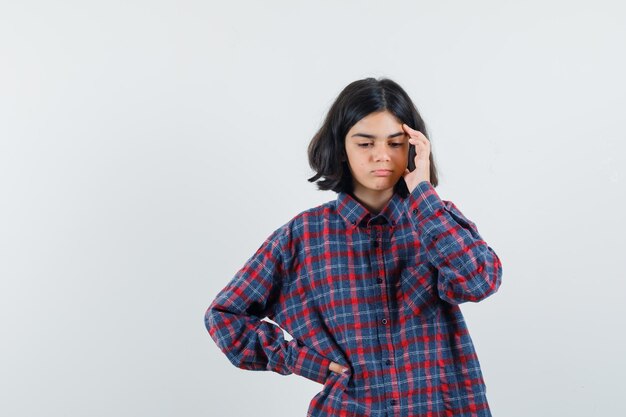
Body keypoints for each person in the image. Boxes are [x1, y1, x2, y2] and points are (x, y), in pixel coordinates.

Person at [205, 77, 503, 417]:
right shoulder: (302, 236)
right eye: (365, 144)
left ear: (413, 147)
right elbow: (225, 316)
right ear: (341, 148)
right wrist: (304, 361)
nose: (382, 156)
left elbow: (480, 282)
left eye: (395, 143)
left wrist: (421, 189)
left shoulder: (437, 219)